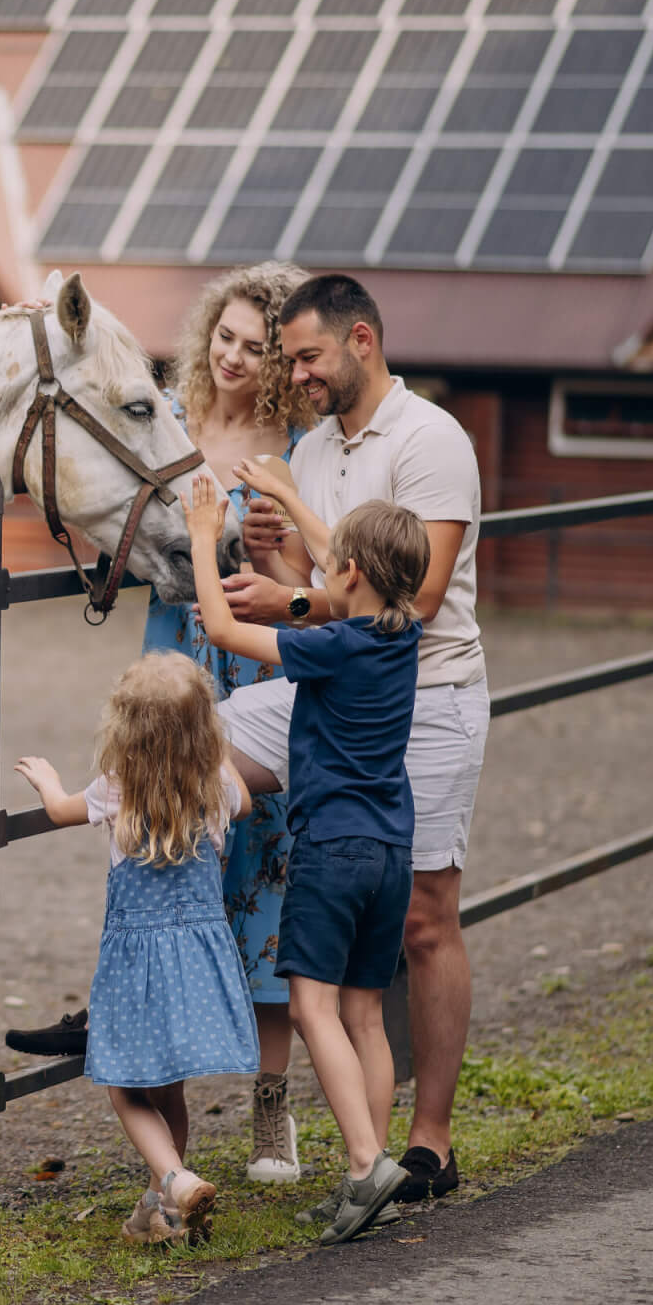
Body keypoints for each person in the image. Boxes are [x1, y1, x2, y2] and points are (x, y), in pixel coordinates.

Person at [6, 261, 315, 1187]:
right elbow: (131, 520)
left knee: (261, 874)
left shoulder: (294, 446)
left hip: (248, 649)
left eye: (254, 347)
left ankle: (271, 1104)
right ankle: (165, 1114)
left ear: (277, 361)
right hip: (172, 658)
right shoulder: (167, 418)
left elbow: (304, 567)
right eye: (222, 336)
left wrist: (271, 549)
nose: (231, 355)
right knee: (161, 860)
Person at [216, 274, 489, 1207]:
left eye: (305, 357)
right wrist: (271, 555)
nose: (294, 376)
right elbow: (319, 577)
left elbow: (415, 597)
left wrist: (288, 598)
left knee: (424, 916)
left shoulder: (431, 442)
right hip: (329, 684)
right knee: (193, 751)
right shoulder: (315, 445)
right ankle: (156, 947)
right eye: (288, 359)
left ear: (360, 340)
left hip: (429, 695)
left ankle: (431, 1141)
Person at [190, 485, 431, 1244]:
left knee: (311, 1007)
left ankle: (364, 1164)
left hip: (333, 846)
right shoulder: (405, 631)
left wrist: (204, 535)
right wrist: (301, 510)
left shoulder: (334, 645)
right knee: (364, 1014)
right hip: (394, 847)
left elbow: (226, 627)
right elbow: (344, 562)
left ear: (351, 572)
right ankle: (376, 1168)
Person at [13, 652, 259, 1246]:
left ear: (124, 730)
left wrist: (46, 779)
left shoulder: (114, 789)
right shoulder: (218, 787)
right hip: (198, 962)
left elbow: (59, 809)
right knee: (169, 1087)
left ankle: (173, 1178)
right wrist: (210, 746)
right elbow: (247, 800)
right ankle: (163, 1210)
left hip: (137, 967)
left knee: (125, 1087)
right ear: (205, 729)